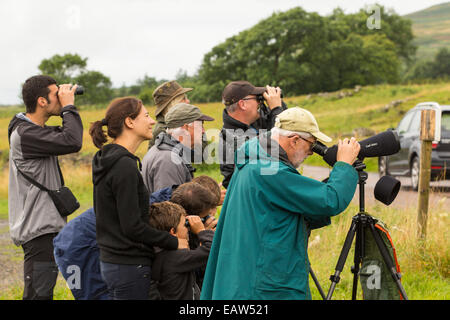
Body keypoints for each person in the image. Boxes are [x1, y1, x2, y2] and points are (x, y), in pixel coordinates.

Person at [201, 107, 361, 300]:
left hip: (245, 275)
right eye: (312, 145)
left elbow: (288, 206)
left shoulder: (254, 162)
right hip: (264, 285)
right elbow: (330, 201)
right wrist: (343, 165)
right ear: (294, 140)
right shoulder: (271, 170)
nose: (311, 152)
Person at [89, 96, 187, 300]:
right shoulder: (123, 166)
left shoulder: (109, 159)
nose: (152, 121)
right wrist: (173, 241)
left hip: (114, 263)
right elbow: (132, 226)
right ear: (129, 122)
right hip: (128, 266)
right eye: (147, 115)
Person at [8, 75, 83, 300]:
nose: (60, 98)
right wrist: (69, 106)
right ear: (42, 101)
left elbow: (67, 137)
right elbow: (72, 141)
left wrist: (64, 105)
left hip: (44, 226)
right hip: (38, 227)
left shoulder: (34, 131)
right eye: (55, 94)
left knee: (42, 294)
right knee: (38, 296)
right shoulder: (25, 134)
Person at [219, 80, 287, 188]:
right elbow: (278, 150)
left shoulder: (252, 123)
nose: (259, 102)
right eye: (257, 99)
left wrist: (278, 105)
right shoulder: (232, 139)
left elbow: (287, 127)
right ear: (242, 104)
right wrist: (276, 110)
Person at [142, 103, 214, 194]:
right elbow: (168, 205)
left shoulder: (166, 151)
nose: (203, 131)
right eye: (201, 125)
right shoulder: (168, 160)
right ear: (186, 128)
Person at [149, 201, 214, 300]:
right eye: (185, 225)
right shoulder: (176, 257)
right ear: (173, 232)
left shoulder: (158, 253)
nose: (188, 229)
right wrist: (202, 231)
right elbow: (211, 250)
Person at [149, 80, 192, 149]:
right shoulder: (163, 131)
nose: (188, 101)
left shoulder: (174, 124)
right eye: (183, 98)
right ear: (173, 105)